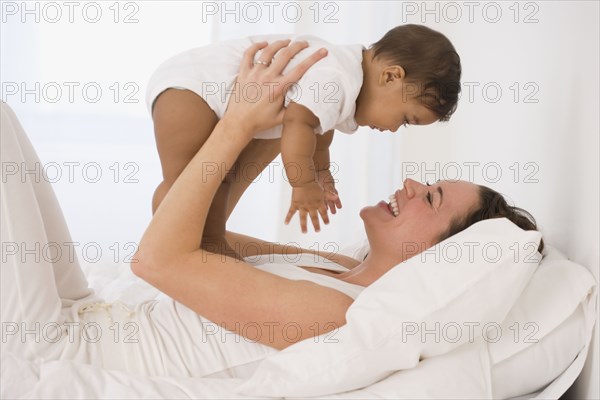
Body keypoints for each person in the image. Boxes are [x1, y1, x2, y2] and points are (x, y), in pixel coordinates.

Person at [0, 41, 540, 381]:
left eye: (432, 197)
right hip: (85, 308)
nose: (413, 182)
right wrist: (274, 122)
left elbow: (157, 258)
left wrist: (239, 125)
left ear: (434, 255)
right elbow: (195, 230)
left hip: (59, 349)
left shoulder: (337, 316)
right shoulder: (328, 264)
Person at [147, 25, 462, 245]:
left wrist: (322, 173)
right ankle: (199, 243)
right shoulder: (337, 77)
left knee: (214, 180)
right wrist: (303, 184)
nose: (393, 129)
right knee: (189, 182)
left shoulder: (344, 80)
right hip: (192, 91)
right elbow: (298, 124)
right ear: (391, 76)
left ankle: (196, 241)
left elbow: (318, 132)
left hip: (194, 90)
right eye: (406, 119)